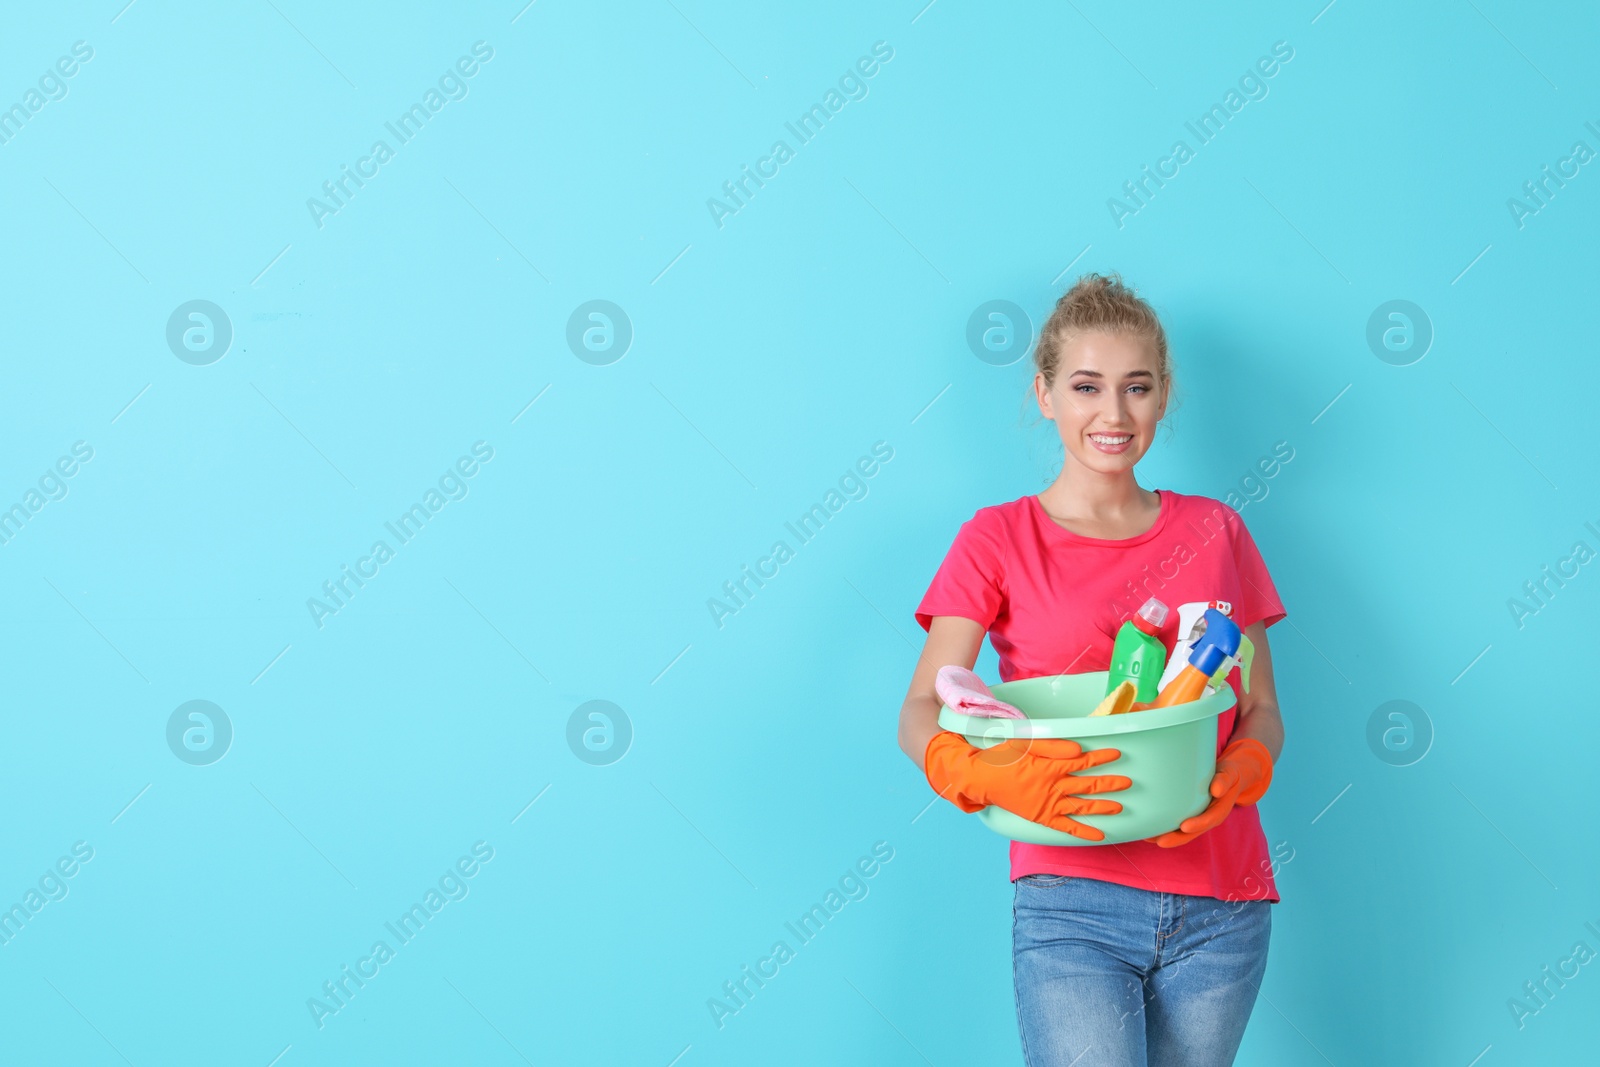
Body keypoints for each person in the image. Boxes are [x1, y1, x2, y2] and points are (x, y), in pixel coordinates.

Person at [897, 273, 1288, 1067]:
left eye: (1136, 387)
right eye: (1086, 386)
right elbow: (919, 707)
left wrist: (1249, 764)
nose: (1113, 414)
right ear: (1044, 393)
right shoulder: (997, 539)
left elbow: (1263, 706)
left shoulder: (1216, 530)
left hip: (1224, 896)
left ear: (1164, 395)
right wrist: (975, 772)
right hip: (1071, 898)